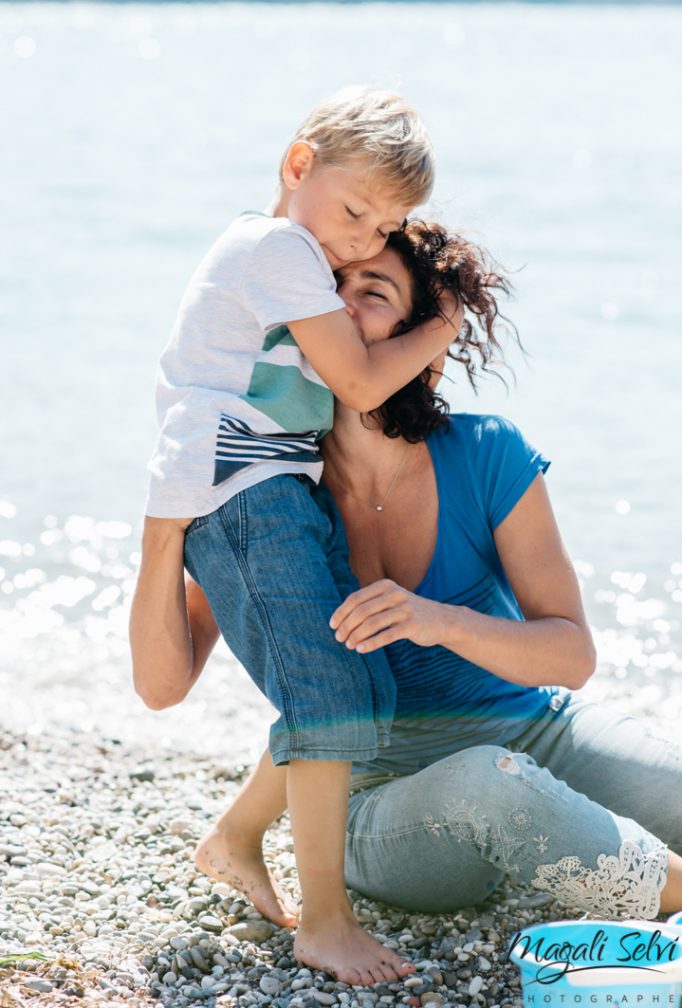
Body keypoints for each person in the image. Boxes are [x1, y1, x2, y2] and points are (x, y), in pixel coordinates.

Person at [137, 219, 682, 951]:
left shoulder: (489, 453)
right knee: (490, 784)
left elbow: (571, 657)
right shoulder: (264, 497)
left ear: (418, 333)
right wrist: (160, 530)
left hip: (537, 730)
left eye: (373, 289)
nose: (339, 304)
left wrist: (439, 620)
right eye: (329, 288)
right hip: (379, 798)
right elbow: (161, 686)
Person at [130, 87, 462, 986]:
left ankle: (236, 838)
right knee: (328, 696)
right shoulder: (274, 246)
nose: (360, 240)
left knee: (368, 682)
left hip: (271, 490)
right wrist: (442, 325)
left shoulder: (301, 266)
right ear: (297, 165)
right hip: (243, 492)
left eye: (383, 226)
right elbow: (356, 383)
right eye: (354, 210)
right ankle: (325, 922)